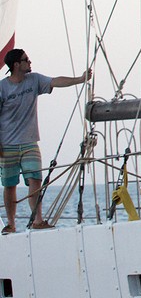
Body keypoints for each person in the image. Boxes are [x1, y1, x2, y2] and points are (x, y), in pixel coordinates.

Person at [0, 48, 91, 232]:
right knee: (10, 185)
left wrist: (80, 79)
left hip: (29, 142)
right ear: (16, 64)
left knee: (35, 179)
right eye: (26, 60)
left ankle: (38, 220)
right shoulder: (2, 87)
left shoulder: (34, 80)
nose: (30, 62)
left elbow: (55, 81)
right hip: (7, 144)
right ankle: (11, 224)